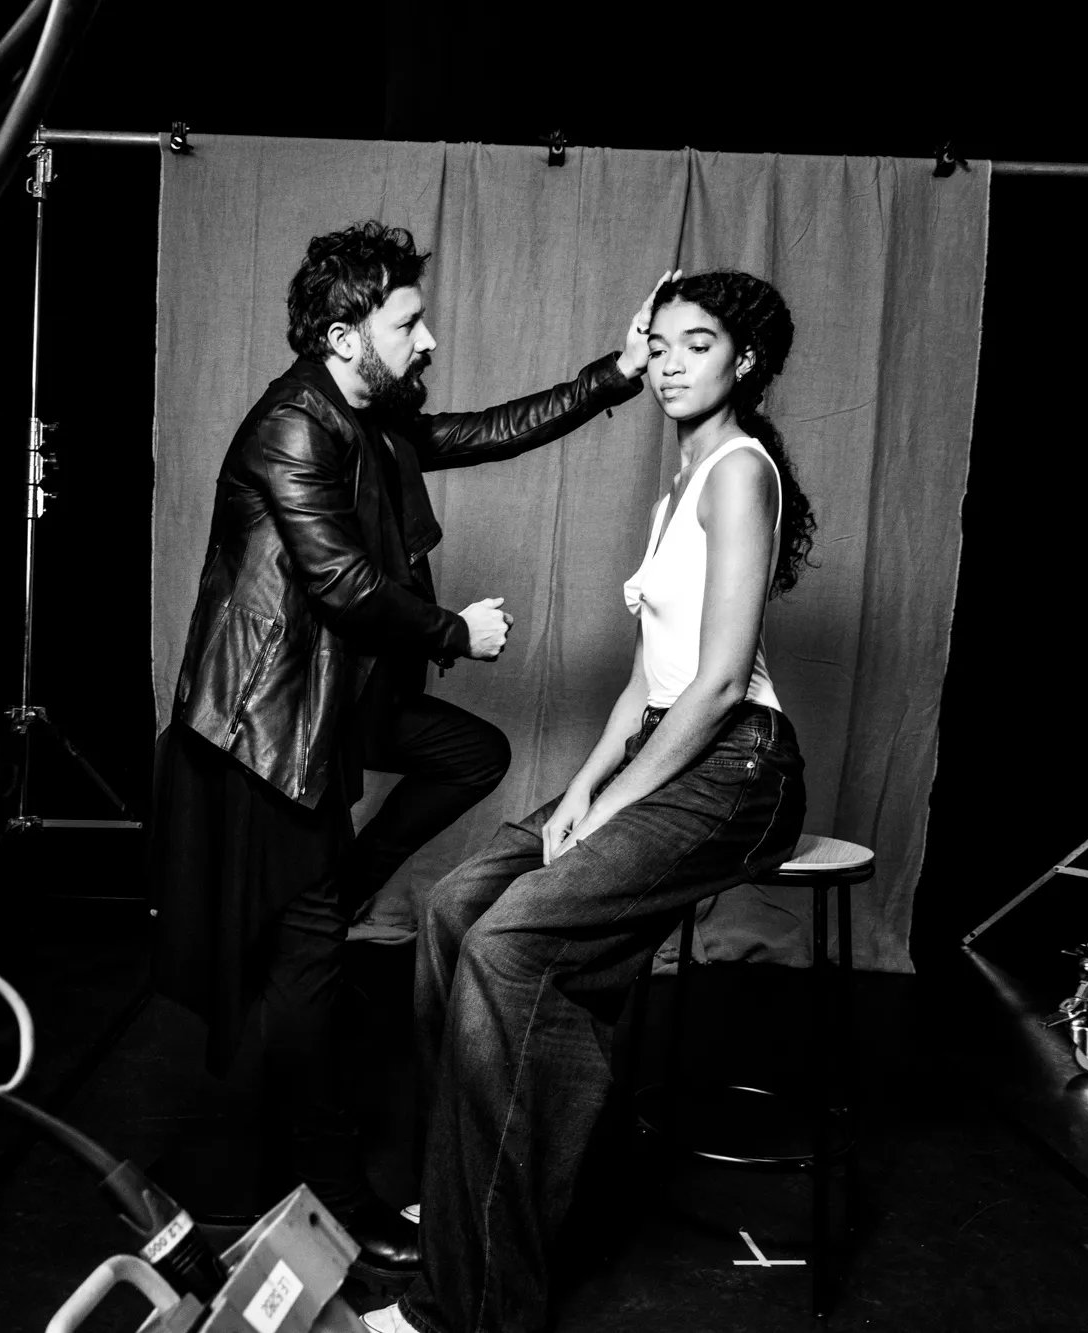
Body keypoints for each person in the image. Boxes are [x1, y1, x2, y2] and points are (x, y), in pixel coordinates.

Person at [150, 219, 666, 1270]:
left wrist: (612, 375)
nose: (426, 339)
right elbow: (338, 580)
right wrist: (454, 633)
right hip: (265, 739)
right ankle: (340, 1203)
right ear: (345, 335)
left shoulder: (371, 416)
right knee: (304, 989)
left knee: (467, 756)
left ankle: (340, 888)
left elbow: (487, 431)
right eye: (407, 321)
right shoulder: (293, 426)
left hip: (335, 704)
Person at [366, 270, 816, 1332]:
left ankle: (469, 1302)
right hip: (672, 744)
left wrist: (608, 809)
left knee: (513, 945)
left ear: (741, 363)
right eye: (654, 343)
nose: (664, 362)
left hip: (740, 769)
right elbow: (642, 681)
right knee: (452, 909)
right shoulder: (677, 485)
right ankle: (479, 1188)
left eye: (693, 344)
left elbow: (712, 683)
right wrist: (582, 789)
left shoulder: (739, 474)